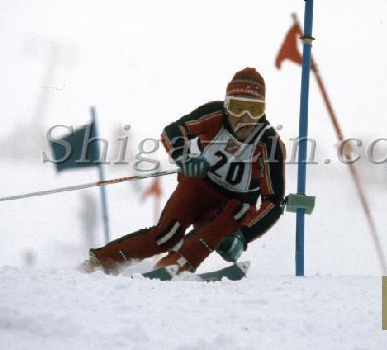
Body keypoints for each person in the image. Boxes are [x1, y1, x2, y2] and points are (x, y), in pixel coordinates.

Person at [86, 67, 286, 275]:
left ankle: (173, 266)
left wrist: (244, 235)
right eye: (237, 108)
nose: (244, 118)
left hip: (235, 203)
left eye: (254, 110)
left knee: (217, 228)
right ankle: (101, 262)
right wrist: (184, 157)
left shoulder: (269, 143)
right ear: (226, 107)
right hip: (199, 186)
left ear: (263, 111)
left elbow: (274, 201)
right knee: (166, 235)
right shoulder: (214, 114)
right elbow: (173, 131)